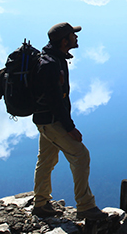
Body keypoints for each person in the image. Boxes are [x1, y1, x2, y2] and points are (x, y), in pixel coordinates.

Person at [31, 22, 107, 220]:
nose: (76, 37)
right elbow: (55, 100)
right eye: (73, 35)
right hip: (52, 122)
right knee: (81, 156)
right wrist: (70, 128)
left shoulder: (53, 58)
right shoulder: (50, 65)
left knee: (46, 160)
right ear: (64, 41)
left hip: (45, 121)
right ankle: (86, 206)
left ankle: (40, 204)